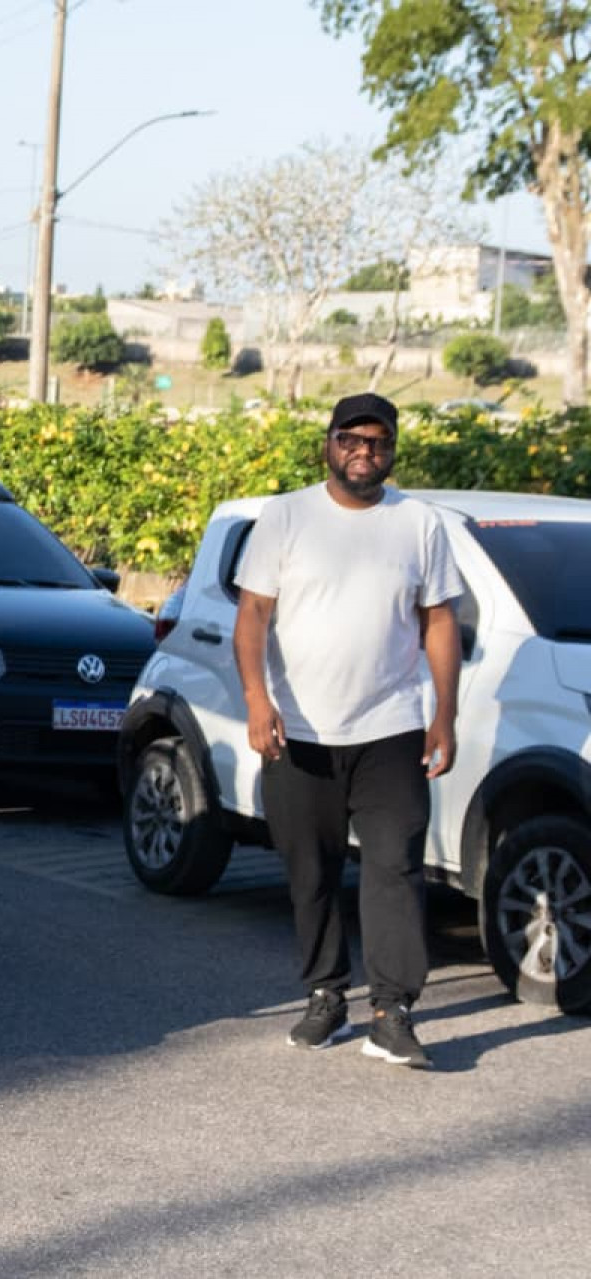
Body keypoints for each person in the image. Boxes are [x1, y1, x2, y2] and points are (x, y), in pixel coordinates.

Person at [233, 392, 463, 1070]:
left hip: (390, 727)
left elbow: (440, 621)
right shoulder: (286, 516)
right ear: (328, 443)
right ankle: (327, 992)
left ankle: (393, 1011)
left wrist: (444, 711)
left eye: (379, 441)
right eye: (352, 439)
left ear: (393, 450)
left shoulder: (419, 523)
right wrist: (256, 699)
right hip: (298, 729)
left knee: (395, 865)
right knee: (312, 871)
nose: (366, 451)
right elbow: (253, 616)